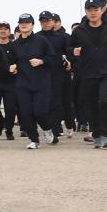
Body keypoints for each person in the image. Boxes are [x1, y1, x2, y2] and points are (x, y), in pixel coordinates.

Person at [70, 0, 107, 149]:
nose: (93, 13)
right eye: (89, 10)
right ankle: (97, 134)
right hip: (88, 72)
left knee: (105, 101)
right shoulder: (80, 30)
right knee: (92, 104)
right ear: (86, 12)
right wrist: (73, 52)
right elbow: (70, 47)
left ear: (101, 11)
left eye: (96, 10)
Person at [7, 13, 54, 149]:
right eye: (21, 22)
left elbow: (53, 59)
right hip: (23, 83)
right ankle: (34, 139)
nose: (24, 24)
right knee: (25, 113)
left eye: (27, 22)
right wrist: (12, 67)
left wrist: (41, 61)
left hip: (41, 83)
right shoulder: (14, 45)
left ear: (32, 25)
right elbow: (10, 63)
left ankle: (47, 129)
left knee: (39, 112)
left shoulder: (41, 41)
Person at [37, 11, 71, 144]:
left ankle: (56, 130)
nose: (45, 23)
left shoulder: (62, 37)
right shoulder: (37, 37)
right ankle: (48, 128)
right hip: (41, 73)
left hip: (58, 73)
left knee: (56, 102)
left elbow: (69, 53)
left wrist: (69, 62)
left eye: (48, 20)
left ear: (53, 22)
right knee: (44, 103)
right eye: (43, 21)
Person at [0, 22, 17, 140]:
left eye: (6, 29)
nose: (3, 31)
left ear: (9, 31)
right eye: (0, 29)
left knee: (10, 108)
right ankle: (0, 122)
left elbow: (20, 60)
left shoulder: (14, 46)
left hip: (11, 81)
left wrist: (16, 67)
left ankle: (9, 130)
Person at [52, 13, 76, 138]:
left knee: (66, 101)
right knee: (54, 102)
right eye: (52, 21)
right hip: (50, 74)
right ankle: (56, 128)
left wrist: (70, 62)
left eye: (56, 21)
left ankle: (70, 124)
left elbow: (71, 52)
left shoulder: (66, 37)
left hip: (64, 73)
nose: (54, 23)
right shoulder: (42, 37)